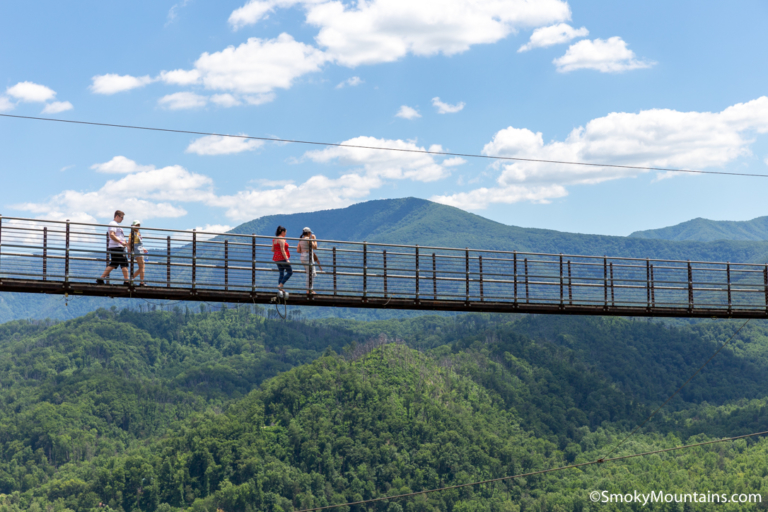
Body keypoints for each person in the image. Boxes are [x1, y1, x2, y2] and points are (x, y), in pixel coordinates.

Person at [97, 210, 129, 285]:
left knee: (114, 263)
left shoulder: (116, 225)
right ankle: (126, 281)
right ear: (117, 216)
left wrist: (125, 244)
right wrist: (121, 242)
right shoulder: (113, 223)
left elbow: (120, 236)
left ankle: (101, 279)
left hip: (117, 246)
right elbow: (112, 235)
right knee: (124, 263)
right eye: (122, 217)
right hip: (117, 247)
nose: (122, 219)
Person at [297, 227, 322, 295]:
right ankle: (309, 290)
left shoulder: (301, 239)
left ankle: (309, 289)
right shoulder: (308, 238)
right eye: (310, 233)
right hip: (308, 256)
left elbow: (298, 250)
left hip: (302, 256)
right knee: (312, 273)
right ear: (308, 233)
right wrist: (314, 239)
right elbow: (315, 247)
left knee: (310, 273)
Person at [273, 225, 292, 297]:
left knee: (281, 272)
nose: (286, 234)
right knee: (290, 272)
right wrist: (287, 259)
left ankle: (280, 289)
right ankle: (280, 285)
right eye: (285, 232)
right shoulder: (282, 239)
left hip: (276, 258)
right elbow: (282, 249)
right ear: (282, 232)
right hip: (282, 258)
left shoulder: (275, 239)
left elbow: (272, 249)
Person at [129, 220, 147, 286]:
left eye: (138, 225)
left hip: (140, 250)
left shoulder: (138, 232)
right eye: (136, 225)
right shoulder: (132, 233)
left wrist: (143, 248)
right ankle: (141, 282)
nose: (138, 226)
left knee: (141, 267)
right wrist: (129, 250)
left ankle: (131, 279)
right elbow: (130, 243)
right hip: (137, 251)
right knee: (142, 267)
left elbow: (138, 243)